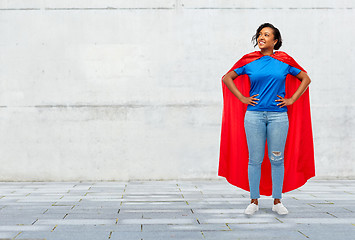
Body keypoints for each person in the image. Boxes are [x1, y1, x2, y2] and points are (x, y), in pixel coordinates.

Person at [219, 23, 314, 215]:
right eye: (260, 34)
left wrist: (292, 99)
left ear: (275, 41)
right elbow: (227, 77)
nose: (262, 37)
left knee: (277, 159)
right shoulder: (248, 61)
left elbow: (306, 78)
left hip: (278, 117)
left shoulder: (285, 61)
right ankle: (254, 201)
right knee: (254, 160)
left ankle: (277, 201)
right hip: (253, 116)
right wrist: (243, 98)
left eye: (267, 34)